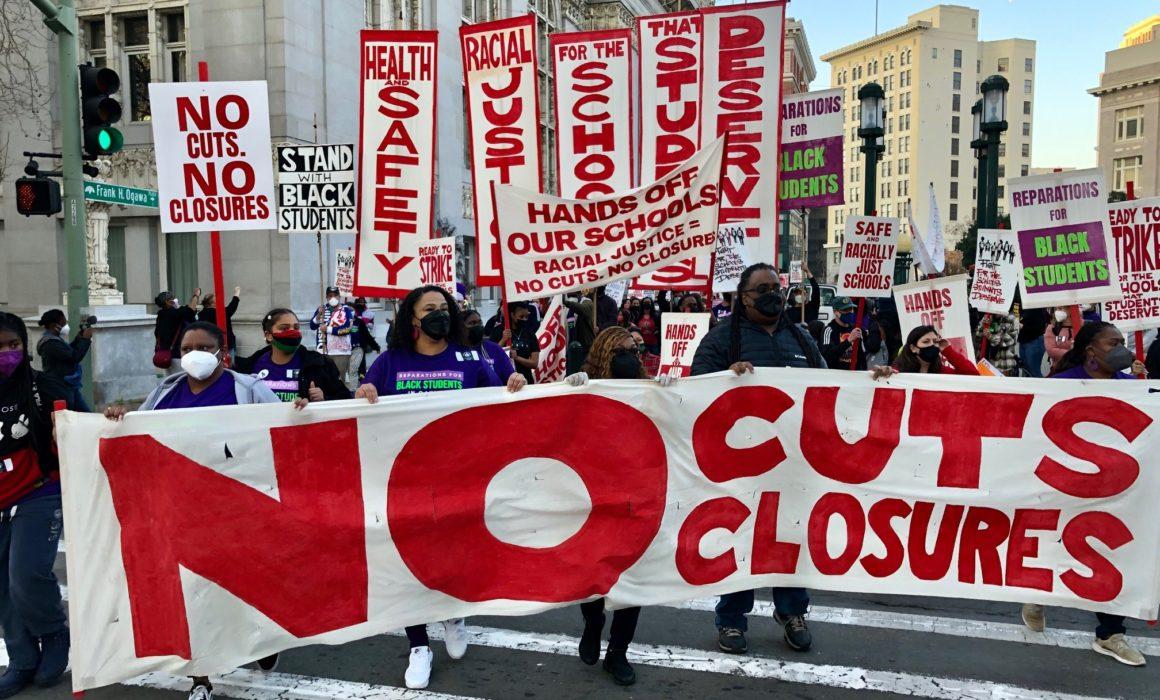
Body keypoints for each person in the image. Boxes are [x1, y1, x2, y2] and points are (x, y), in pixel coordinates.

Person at [105, 321, 295, 700]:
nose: (194, 353)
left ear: (222, 352)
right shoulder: (166, 391)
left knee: (246, 586)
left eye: (203, 346)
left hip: (239, 510)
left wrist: (300, 410)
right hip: (181, 512)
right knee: (195, 595)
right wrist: (115, 418)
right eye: (187, 346)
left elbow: (285, 430)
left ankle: (262, 643)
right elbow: (135, 432)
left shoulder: (248, 389)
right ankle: (200, 677)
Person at [354, 285, 525, 690]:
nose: (439, 314)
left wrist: (514, 382)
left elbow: (496, 401)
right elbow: (358, 403)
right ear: (412, 319)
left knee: (455, 555)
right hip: (406, 484)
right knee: (407, 563)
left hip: (459, 480)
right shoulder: (390, 361)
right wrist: (363, 393)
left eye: (442, 307)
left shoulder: (469, 356)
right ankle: (418, 645)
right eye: (428, 309)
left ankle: (452, 611)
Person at [691, 263, 825, 656]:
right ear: (743, 297)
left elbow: (828, 384)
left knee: (788, 538)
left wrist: (877, 379)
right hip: (740, 468)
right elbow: (696, 388)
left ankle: (792, 612)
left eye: (777, 287)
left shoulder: (800, 338)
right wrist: (726, 377)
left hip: (792, 465)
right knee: (742, 542)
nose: (774, 294)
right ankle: (731, 619)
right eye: (763, 288)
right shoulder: (721, 341)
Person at [1021, 321, 1148, 667]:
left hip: (1115, 493)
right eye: (1114, 343)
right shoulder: (1061, 384)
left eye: (1123, 341)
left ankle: (1110, 633)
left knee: (1108, 556)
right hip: (1064, 486)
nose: (1122, 348)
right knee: (1057, 543)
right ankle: (1036, 593)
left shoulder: (1133, 387)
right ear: (1091, 350)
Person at [566, 326, 662, 686]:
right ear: (603, 352)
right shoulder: (582, 385)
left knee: (632, 582)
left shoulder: (648, 388)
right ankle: (593, 623)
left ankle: (617, 653)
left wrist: (672, 394)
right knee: (592, 577)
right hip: (591, 502)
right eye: (620, 349)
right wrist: (568, 392)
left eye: (634, 350)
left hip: (635, 502)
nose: (629, 356)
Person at [0, 313, 73, 697]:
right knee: (2, 586)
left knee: (26, 575)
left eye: (13, 345)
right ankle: (22, 657)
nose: (7, 354)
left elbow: (82, 423)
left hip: (39, 490)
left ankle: (53, 632)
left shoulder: (42, 387)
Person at [235, 309, 351, 403]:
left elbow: (346, 399)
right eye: (284, 328)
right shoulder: (250, 367)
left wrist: (324, 398)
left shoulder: (320, 364)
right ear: (269, 335)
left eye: (296, 328)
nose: (292, 332)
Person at [35, 309, 92, 412]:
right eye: (64, 323)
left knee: (85, 414)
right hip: (60, 387)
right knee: (68, 417)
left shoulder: (55, 340)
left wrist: (79, 338)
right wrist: (86, 339)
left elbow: (68, 351)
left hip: (68, 386)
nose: (66, 326)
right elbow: (74, 357)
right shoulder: (50, 343)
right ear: (54, 325)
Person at [871, 325, 980, 378]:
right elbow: (885, 374)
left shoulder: (943, 372)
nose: (932, 345)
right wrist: (884, 372)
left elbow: (973, 376)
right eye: (926, 341)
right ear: (913, 348)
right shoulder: (899, 372)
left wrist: (948, 350)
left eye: (934, 341)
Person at [310, 287, 356, 390]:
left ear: (339, 296)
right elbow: (312, 326)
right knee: (322, 379)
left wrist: (328, 329)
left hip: (340, 351)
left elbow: (348, 328)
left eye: (335, 295)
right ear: (326, 297)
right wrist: (318, 315)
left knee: (338, 379)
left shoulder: (346, 310)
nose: (333, 297)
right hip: (322, 350)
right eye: (330, 295)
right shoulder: (321, 309)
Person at [821, 296, 882, 371]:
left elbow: (862, 355)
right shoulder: (829, 330)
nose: (849, 312)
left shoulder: (856, 329)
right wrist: (848, 341)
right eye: (845, 310)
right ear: (835, 312)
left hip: (854, 375)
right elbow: (826, 357)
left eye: (851, 309)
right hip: (836, 375)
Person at [464, 309, 516, 384]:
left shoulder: (495, 349)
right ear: (461, 328)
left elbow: (511, 376)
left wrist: (517, 378)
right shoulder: (453, 350)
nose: (478, 326)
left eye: (480, 322)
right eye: (472, 323)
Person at [154, 288, 199, 375]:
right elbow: (191, 310)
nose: (174, 299)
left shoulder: (161, 314)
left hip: (164, 354)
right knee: (179, 380)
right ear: (167, 302)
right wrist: (196, 295)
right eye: (172, 298)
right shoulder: (174, 313)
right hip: (176, 354)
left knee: (170, 381)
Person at [196, 286, 241, 360]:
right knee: (228, 366)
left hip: (208, 345)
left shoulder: (201, 314)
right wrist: (237, 293)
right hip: (225, 344)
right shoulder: (218, 312)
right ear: (213, 303)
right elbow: (232, 307)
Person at [504, 302, 541, 384]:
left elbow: (534, 363)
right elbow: (491, 355)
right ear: (512, 315)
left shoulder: (530, 334)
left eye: (526, 317)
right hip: (506, 381)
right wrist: (503, 340)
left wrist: (516, 357)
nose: (524, 319)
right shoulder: (501, 330)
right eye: (521, 316)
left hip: (526, 380)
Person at [1018, 305, 1050, 378]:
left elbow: (1041, 327)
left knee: (1034, 372)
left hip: (1034, 341)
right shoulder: (1024, 306)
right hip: (1023, 341)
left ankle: (1041, 388)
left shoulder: (1038, 308)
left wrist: (1023, 326)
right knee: (1025, 370)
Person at [1043, 307, 1075, 375]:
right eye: (1057, 309)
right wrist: (1073, 353)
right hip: (1058, 369)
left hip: (1077, 369)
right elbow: (1051, 350)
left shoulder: (1081, 325)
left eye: (1061, 308)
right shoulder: (1052, 328)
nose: (1058, 312)